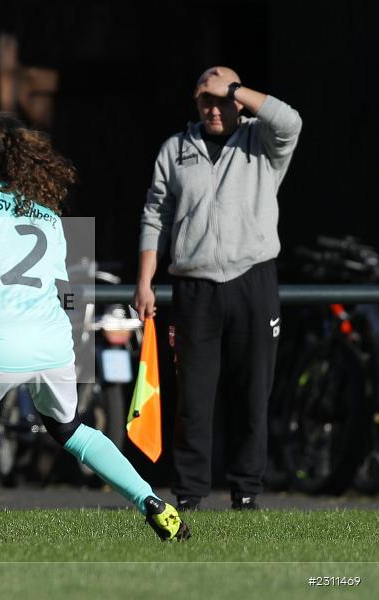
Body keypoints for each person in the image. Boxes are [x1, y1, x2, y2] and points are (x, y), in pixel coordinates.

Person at [0, 112, 190, 543]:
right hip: (53, 342)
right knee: (70, 429)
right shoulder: (47, 211)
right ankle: (153, 502)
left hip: (0, 341)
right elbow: (62, 288)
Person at [134, 66, 303, 511]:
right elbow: (156, 216)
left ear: (238, 99)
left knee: (252, 392)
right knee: (194, 395)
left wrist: (234, 90)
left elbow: (292, 121)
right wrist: (145, 281)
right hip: (195, 286)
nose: (213, 107)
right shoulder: (175, 148)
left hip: (254, 279)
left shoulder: (262, 141)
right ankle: (189, 493)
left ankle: (246, 490)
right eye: (204, 100)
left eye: (222, 99)